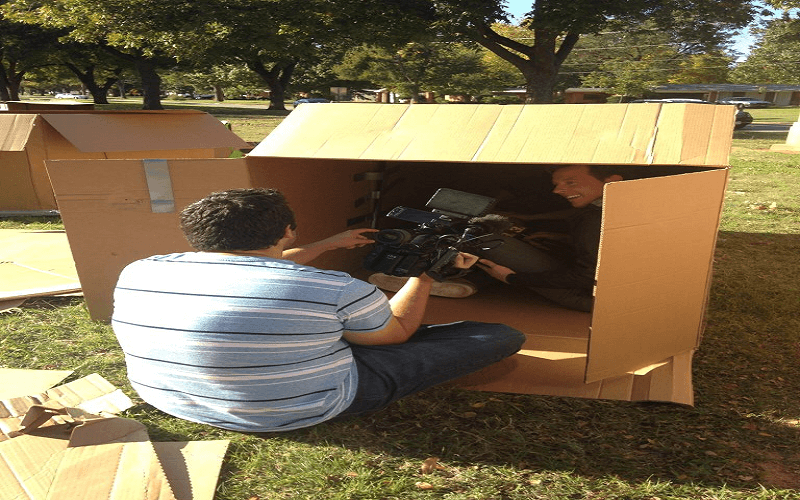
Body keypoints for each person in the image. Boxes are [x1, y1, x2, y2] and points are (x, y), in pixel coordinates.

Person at [111, 188, 525, 433]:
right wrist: (426, 273)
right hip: (303, 407)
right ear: (288, 230)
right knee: (499, 335)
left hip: (174, 399)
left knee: (333, 326)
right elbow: (396, 334)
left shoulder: (141, 269)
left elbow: (260, 268)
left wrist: (329, 244)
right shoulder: (333, 287)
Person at [475, 164, 623, 312]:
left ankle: (473, 281)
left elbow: (587, 276)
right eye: (557, 185)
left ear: (612, 181)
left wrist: (511, 278)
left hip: (592, 298)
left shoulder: (593, 220)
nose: (557, 191)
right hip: (610, 289)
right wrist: (563, 238)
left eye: (570, 182)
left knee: (486, 241)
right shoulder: (619, 206)